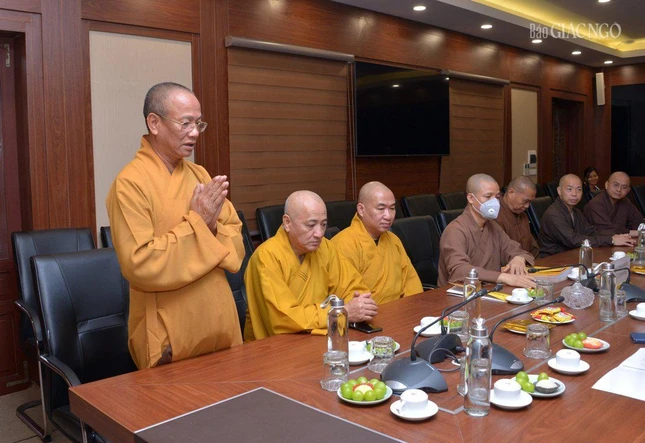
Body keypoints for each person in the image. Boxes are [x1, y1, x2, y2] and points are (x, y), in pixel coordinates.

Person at [106, 82, 245, 369]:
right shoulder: (130, 184)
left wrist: (212, 229)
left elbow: (235, 238)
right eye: (185, 123)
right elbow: (140, 264)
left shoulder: (200, 175)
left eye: (198, 124)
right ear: (154, 123)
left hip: (219, 322)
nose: (194, 133)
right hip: (170, 335)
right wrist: (199, 224)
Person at [244, 190, 377, 341]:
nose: (319, 233)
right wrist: (340, 313)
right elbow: (282, 319)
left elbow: (352, 287)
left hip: (319, 335)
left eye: (323, 224)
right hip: (273, 346)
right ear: (287, 222)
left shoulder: (325, 247)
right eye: (311, 225)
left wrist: (359, 305)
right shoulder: (266, 257)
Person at [331, 182, 423, 304]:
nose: (388, 216)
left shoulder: (394, 240)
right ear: (361, 209)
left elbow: (411, 281)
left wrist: (413, 307)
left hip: (401, 309)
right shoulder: (343, 244)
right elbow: (347, 295)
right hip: (367, 313)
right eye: (381, 209)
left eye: (392, 208)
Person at [438, 174, 536, 288]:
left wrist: (519, 258)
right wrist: (503, 277)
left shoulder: (493, 227)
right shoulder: (455, 230)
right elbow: (459, 269)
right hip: (459, 293)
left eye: (497, 197)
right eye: (488, 196)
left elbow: (514, 249)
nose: (494, 202)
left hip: (490, 290)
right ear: (471, 198)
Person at [538, 174, 635, 257]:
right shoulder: (553, 214)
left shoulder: (576, 212)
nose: (574, 194)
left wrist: (616, 236)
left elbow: (591, 231)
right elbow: (574, 240)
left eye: (579, 190)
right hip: (552, 261)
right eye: (569, 189)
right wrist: (611, 240)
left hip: (571, 256)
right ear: (559, 191)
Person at [584, 171, 643, 236]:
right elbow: (606, 230)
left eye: (624, 187)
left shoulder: (625, 202)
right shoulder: (594, 204)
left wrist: (641, 231)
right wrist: (637, 233)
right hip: (600, 241)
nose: (619, 190)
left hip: (624, 239)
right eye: (615, 185)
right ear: (606, 185)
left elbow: (638, 221)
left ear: (628, 190)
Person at [495, 176, 540, 258]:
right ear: (511, 193)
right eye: (525, 201)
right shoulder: (495, 216)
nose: (527, 206)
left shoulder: (523, 216)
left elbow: (532, 248)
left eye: (530, 202)